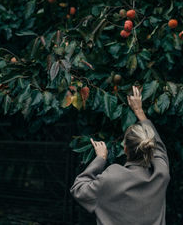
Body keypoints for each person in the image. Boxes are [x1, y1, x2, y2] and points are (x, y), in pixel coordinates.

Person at [70, 86, 170, 225]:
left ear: (125, 149)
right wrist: (139, 111)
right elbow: (159, 148)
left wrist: (100, 159)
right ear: (149, 148)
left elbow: (78, 188)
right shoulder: (160, 175)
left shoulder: (112, 177)